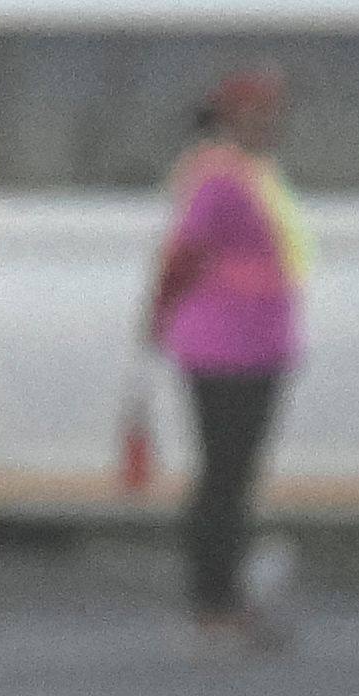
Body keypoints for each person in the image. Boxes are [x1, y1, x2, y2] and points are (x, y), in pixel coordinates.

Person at [149, 70, 309, 650]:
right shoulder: (218, 175)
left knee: (235, 478)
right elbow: (184, 253)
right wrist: (160, 316)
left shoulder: (252, 174)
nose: (274, 122)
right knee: (223, 477)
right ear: (234, 115)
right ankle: (214, 603)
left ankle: (227, 599)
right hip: (223, 347)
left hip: (258, 344)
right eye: (262, 111)